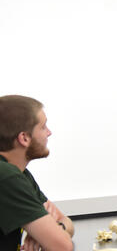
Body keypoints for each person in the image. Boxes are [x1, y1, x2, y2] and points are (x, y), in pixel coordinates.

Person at [0, 95, 74, 251]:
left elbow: (63, 220)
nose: (49, 133)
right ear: (24, 138)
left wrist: (57, 228)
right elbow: (62, 246)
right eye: (43, 127)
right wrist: (51, 234)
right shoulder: (6, 176)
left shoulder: (20, 173)